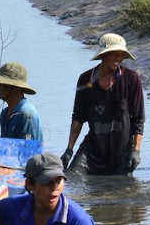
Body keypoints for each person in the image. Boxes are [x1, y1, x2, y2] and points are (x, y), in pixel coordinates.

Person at [60, 33, 144, 177]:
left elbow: (138, 119)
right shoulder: (86, 79)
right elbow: (78, 118)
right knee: (72, 178)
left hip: (122, 152)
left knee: (121, 190)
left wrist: (136, 150)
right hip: (91, 151)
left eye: (121, 54)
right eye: (114, 54)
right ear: (103, 55)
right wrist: (69, 150)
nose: (119, 58)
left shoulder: (131, 78)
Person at [0, 61, 43, 142]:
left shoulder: (27, 114)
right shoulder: (5, 113)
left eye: (2, 83)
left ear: (17, 87)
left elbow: (30, 151)